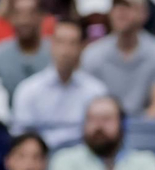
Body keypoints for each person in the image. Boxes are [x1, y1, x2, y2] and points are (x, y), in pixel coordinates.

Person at [81, 0, 155, 118]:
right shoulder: (92, 55)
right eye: (115, 5)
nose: (120, 11)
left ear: (144, 13)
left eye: (127, 5)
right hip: (104, 131)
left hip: (145, 132)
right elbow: (90, 105)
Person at [11, 19, 108, 149]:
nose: (65, 50)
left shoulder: (96, 91)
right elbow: (21, 138)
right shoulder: (28, 90)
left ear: (81, 47)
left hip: (84, 159)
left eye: (72, 43)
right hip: (41, 160)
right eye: (60, 42)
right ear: (51, 45)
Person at [0, 0, 53, 97]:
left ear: (41, 16)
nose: (25, 20)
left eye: (31, 13)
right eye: (19, 13)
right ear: (10, 17)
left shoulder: (56, 54)